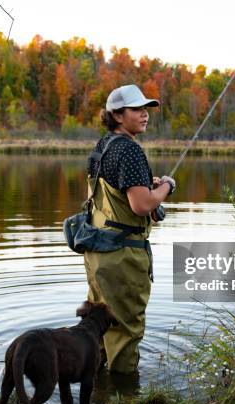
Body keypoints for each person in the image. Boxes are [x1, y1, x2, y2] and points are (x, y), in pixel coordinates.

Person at [84, 84, 176, 374]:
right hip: (123, 257)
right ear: (118, 115)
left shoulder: (103, 146)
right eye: (137, 109)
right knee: (126, 328)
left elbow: (113, 195)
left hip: (98, 251)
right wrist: (166, 187)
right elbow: (141, 206)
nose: (145, 114)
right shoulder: (131, 152)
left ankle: (96, 386)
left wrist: (149, 187)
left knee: (98, 323)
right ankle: (124, 394)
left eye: (146, 108)